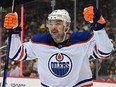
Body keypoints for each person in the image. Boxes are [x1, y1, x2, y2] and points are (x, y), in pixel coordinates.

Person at [3, 6, 113, 87]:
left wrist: (98, 28)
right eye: (50, 23)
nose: (53, 27)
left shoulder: (82, 40)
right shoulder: (40, 42)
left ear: (67, 26)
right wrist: (14, 33)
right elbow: (16, 53)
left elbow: (105, 51)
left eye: (58, 23)